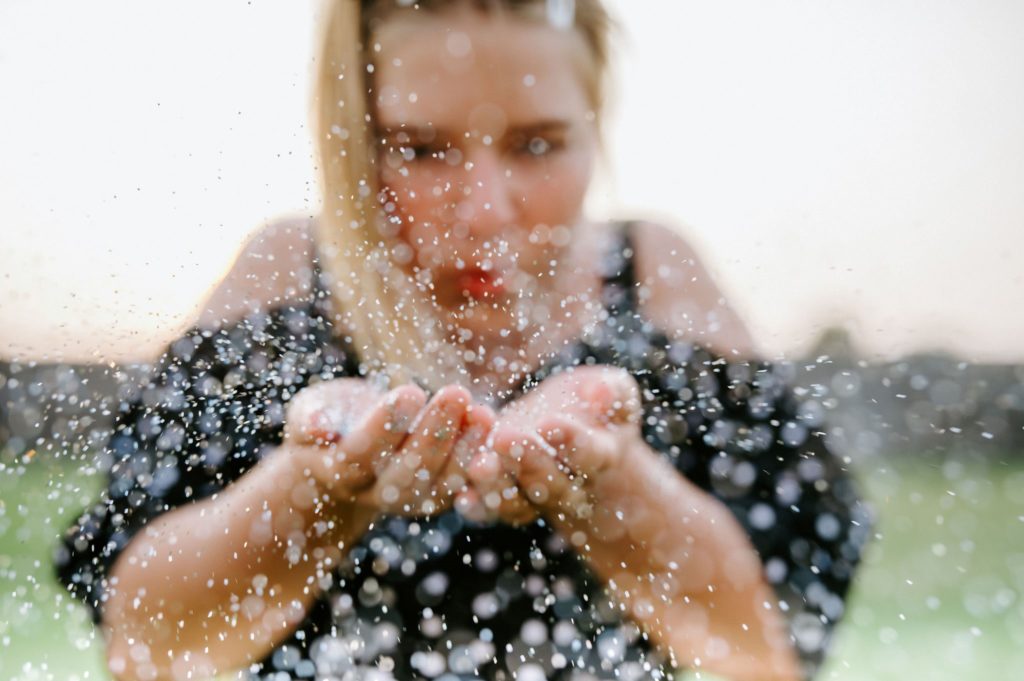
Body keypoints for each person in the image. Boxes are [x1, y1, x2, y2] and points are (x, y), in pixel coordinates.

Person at [56, 1, 871, 680]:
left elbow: (769, 651)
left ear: (595, 126)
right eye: (420, 148)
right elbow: (145, 646)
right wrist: (315, 487)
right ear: (352, 137)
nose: (484, 209)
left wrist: (617, 485)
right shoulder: (285, 278)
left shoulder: (655, 277)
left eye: (538, 145)